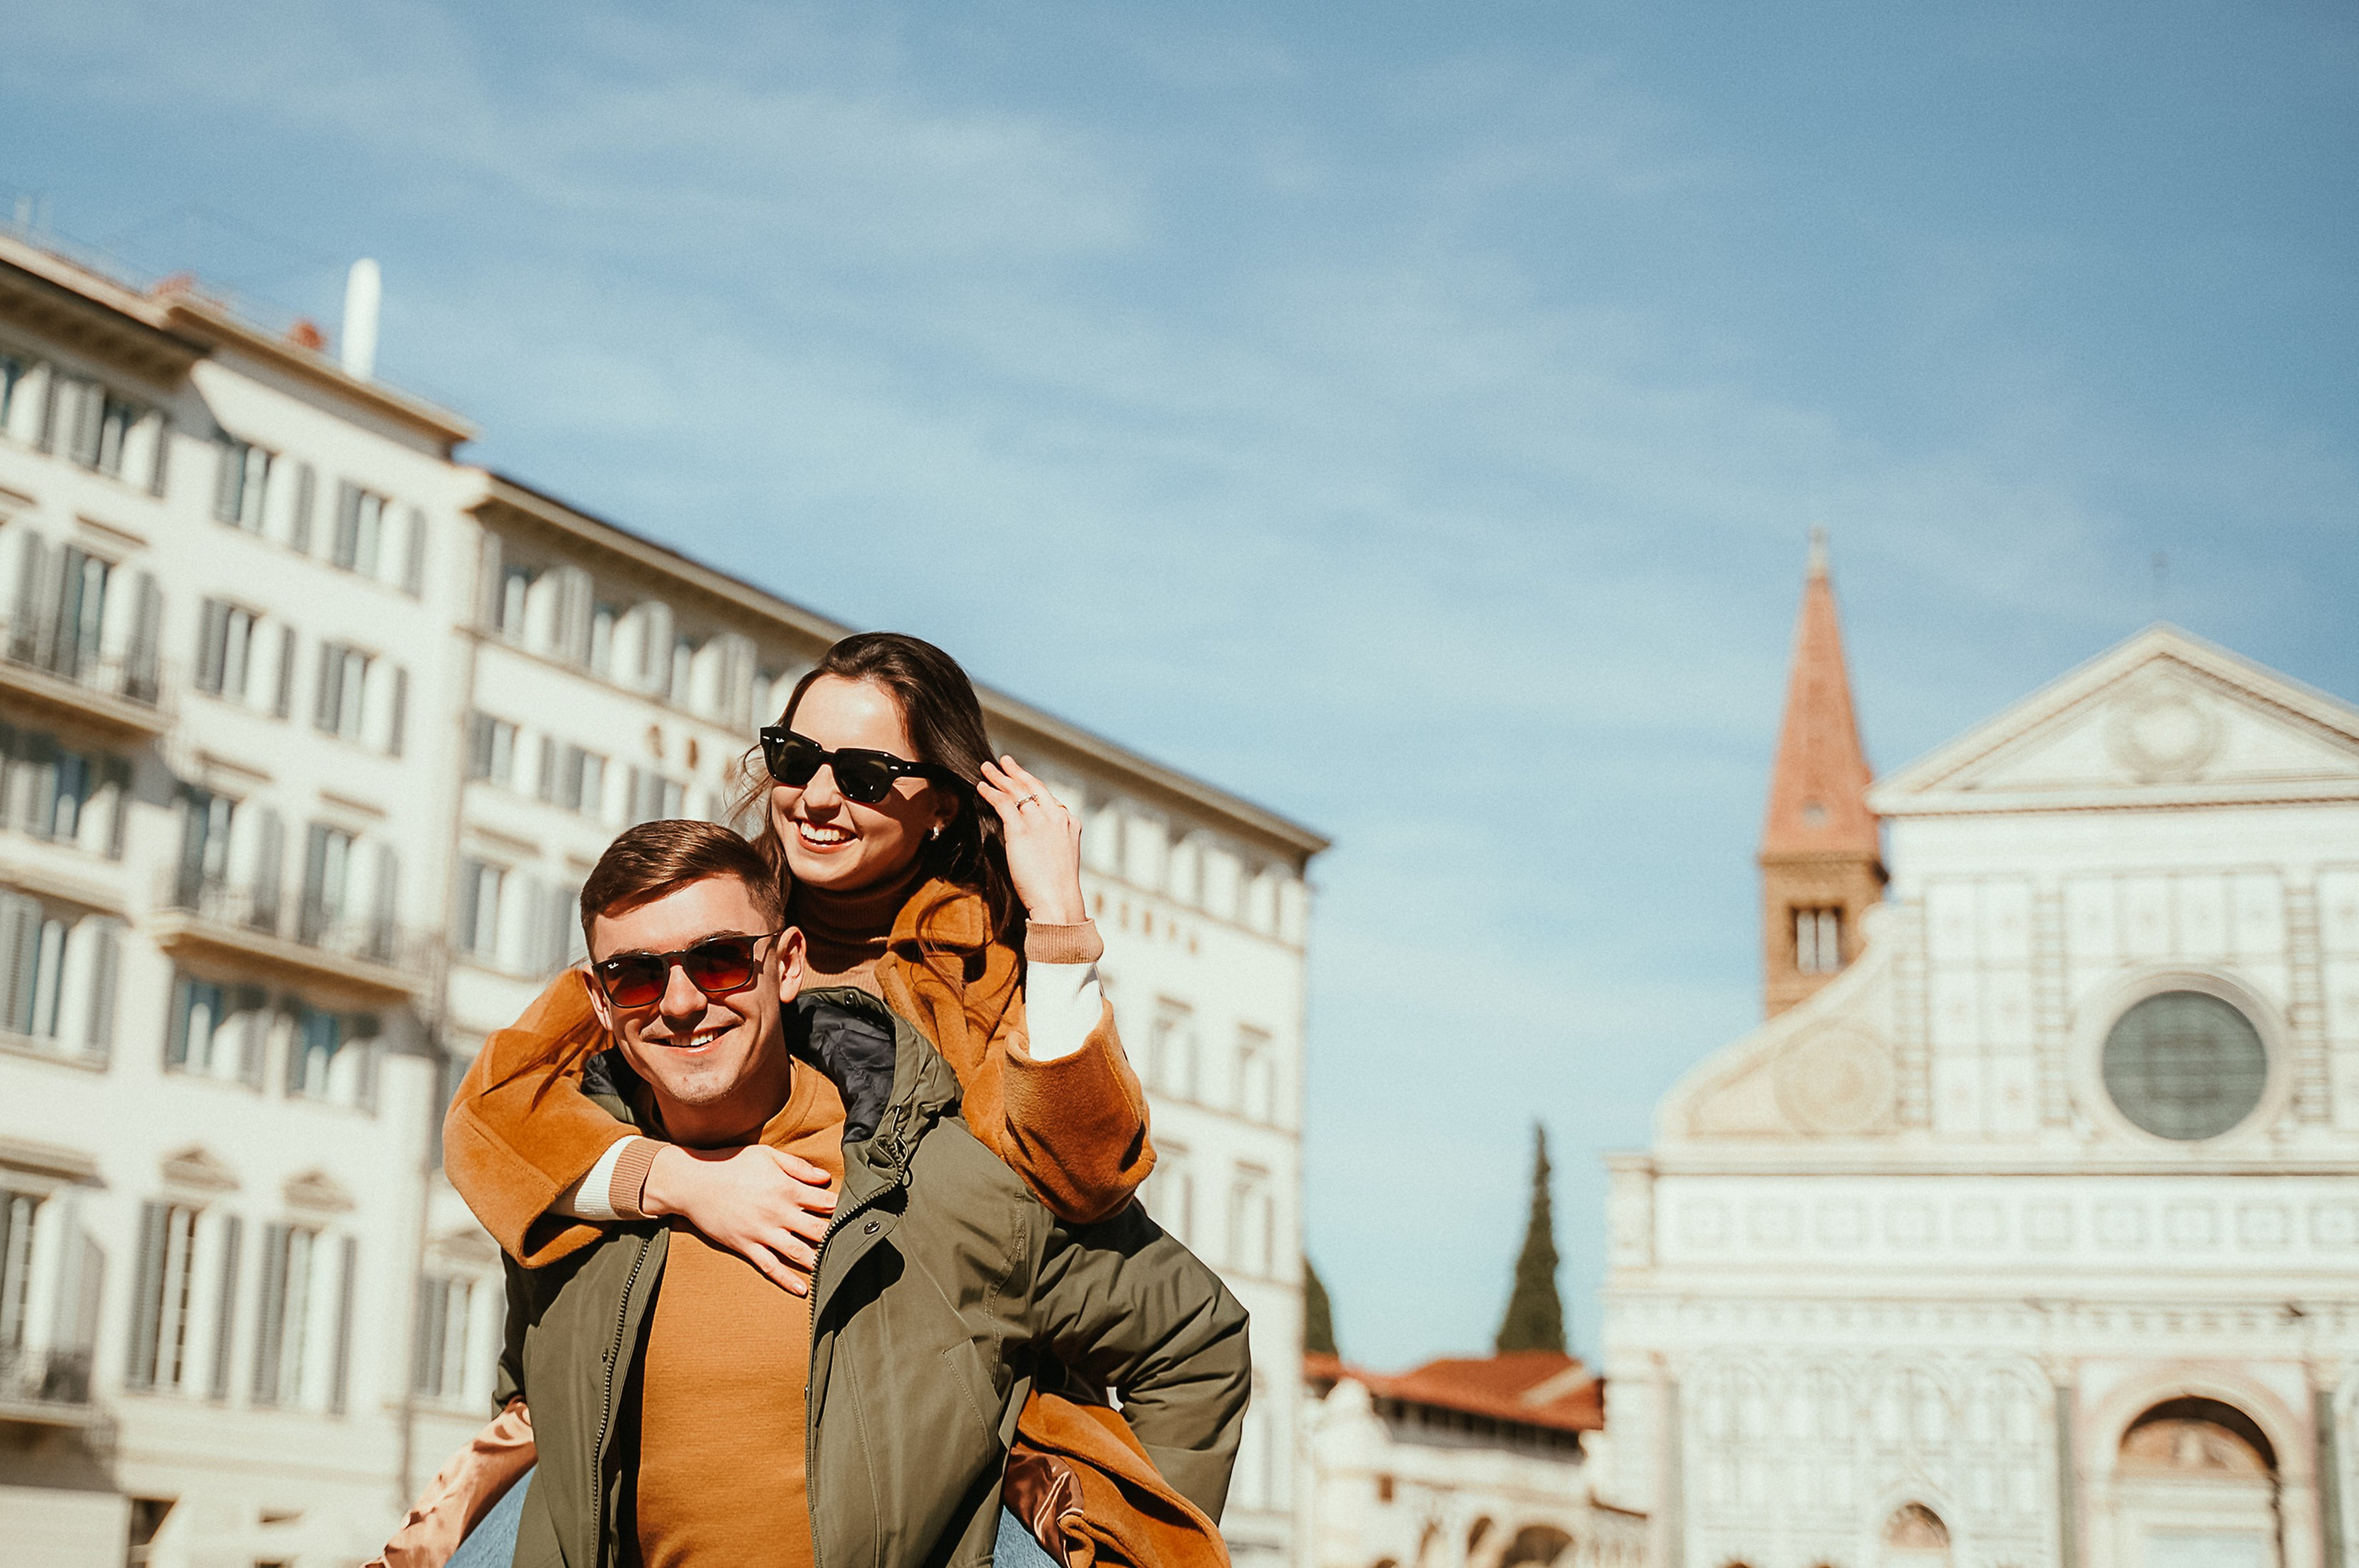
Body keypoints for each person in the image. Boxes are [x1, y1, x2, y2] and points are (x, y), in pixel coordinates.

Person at [405, 632, 1202, 1565]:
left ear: (941, 802)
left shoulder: (979, 968)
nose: (818, 796)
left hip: (950, 1436)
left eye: (863, 774)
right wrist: (677, 1178)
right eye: (795, 759)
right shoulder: (697, 921)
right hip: (655, 1424)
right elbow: (492, 1114)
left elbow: (1087, 1179)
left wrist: (1058, 926)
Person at [483, 820, 1247, 1567]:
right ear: (600, 998)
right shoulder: (569, 1196)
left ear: (786, 964)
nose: (680, 1003)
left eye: (719, 962)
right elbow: (530, 1404)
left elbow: (1195, 1344)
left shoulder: (948, 1178)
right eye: (637, 975)